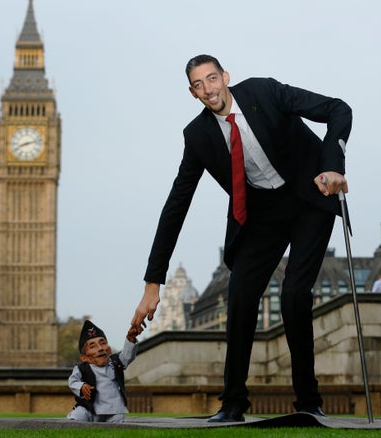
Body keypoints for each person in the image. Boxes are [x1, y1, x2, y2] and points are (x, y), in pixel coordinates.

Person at [131, 54, 352, 422]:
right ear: (193, 93)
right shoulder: (198, 135)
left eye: (212, 79)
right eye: (199, 85)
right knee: (240, 294)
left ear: (225, 77)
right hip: (262, 214)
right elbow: (176, 206)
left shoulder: (264, 92)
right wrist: (153, 282)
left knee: (295, 294)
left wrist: (333, 165)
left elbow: (338, 109)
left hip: (309, 195)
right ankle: (232, 403)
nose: (208, 89)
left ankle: (309, 401)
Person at [66, 320, 141, 423]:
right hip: (89, 409)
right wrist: (82, 386)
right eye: (93, 346)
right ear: (84, 358)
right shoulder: (81, 368)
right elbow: (72, 381)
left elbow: (127, 356)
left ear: (109, 349)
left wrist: (131, 339)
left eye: (103, 343)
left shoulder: (115, 362)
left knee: (118, 420)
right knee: (79, 416)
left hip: (113, 410)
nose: (100, 348)